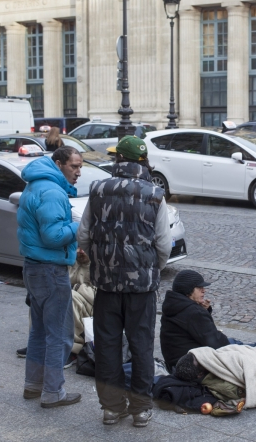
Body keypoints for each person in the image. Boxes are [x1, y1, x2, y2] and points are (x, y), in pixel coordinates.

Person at [77, 135, 172, 428]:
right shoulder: (155, 193)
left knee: (107, 346)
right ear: (143, 161)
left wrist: (98, 259)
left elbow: (83, 235)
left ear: (118, 158)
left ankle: (111, 408)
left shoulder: (98, 189)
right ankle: (141, 409)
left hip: (106, 284)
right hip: (141, 288)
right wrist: (151, 267)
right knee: (141, 345)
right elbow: (164, 244)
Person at [17, 146, 83, 408]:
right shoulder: (53, 191)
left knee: (39, 331)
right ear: (58, 163)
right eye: (74, 166)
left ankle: (33, 385)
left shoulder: (36, 185)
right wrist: (81, 225)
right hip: (50, 270)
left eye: (80, 166)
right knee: (60, 334)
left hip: (33, 266)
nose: (78, 172)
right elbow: (53, 236)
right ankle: (53, 393)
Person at [160, 269, 256, 372]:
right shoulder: (193, 312)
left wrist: (204, 312)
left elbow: (199, 331)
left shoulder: (174, 305)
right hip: (191, 366)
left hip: (176, 362)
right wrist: (203, 313)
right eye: (199, 288)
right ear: (188, 291)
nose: (204, 290)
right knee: (236, 346)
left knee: (234, 343)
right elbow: (215, 341)